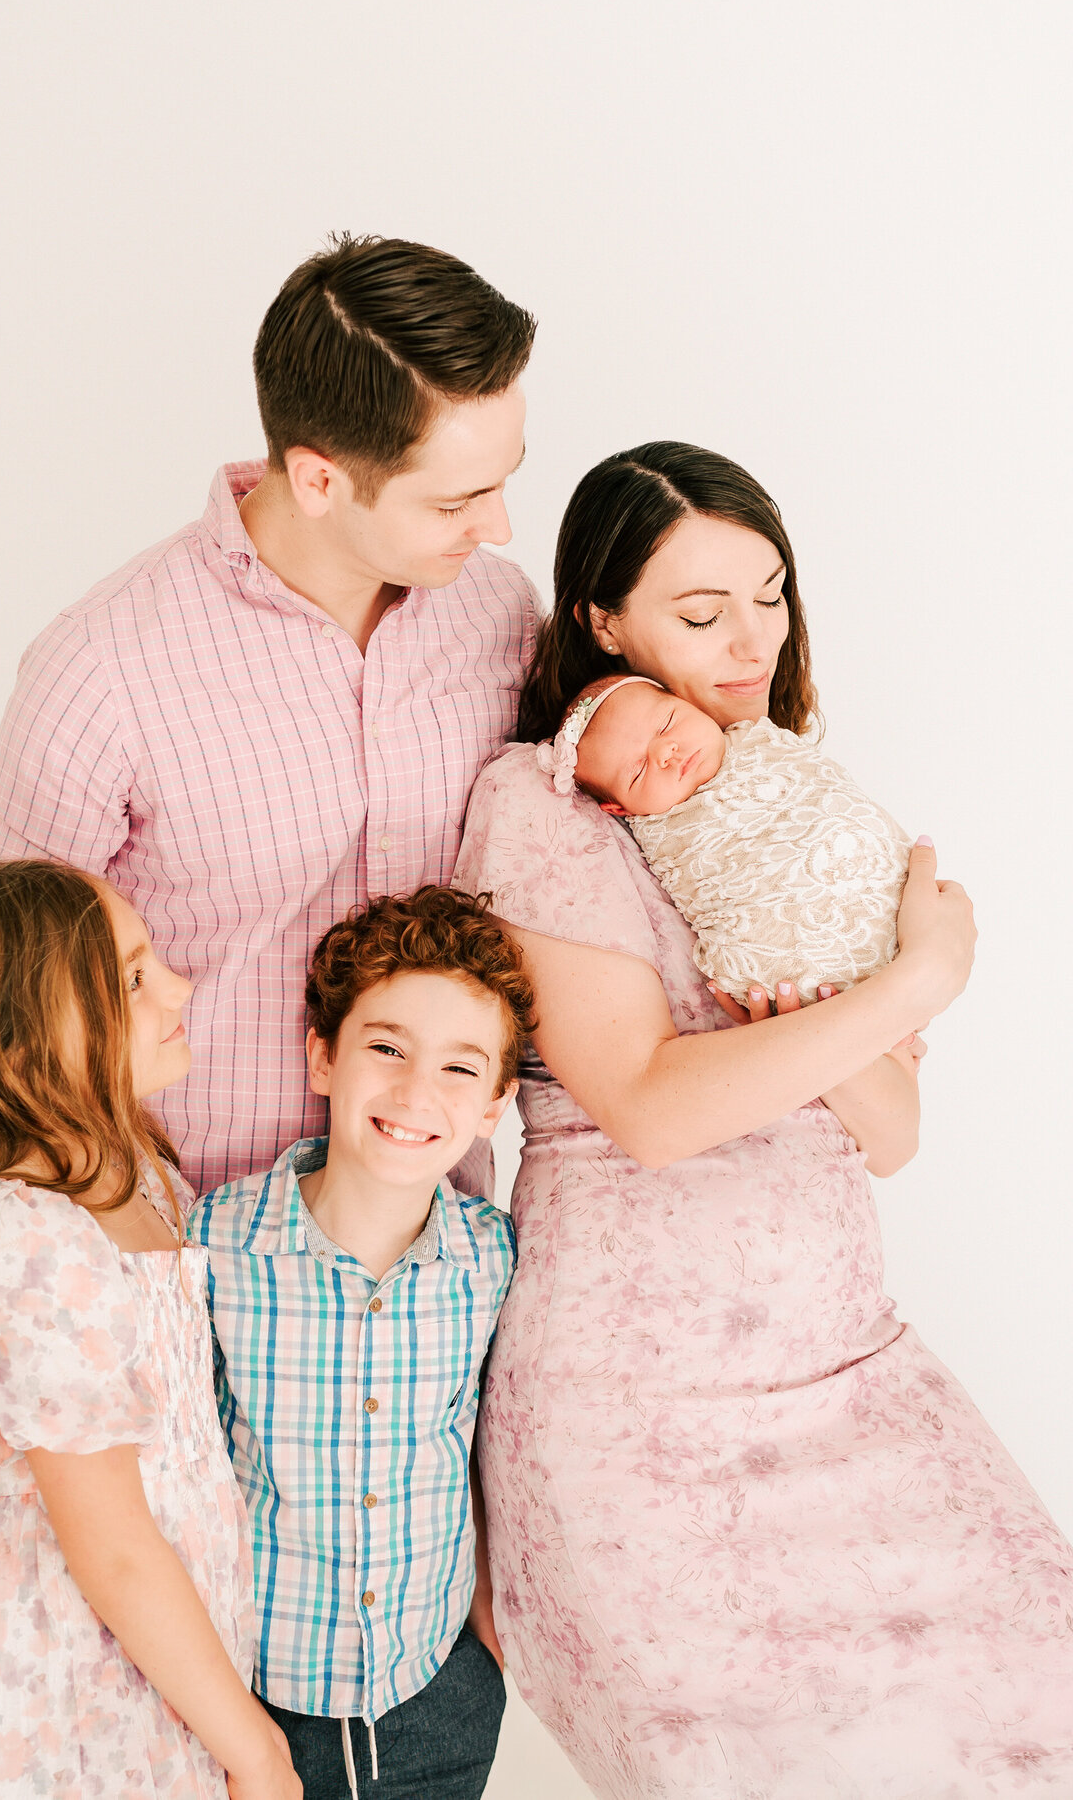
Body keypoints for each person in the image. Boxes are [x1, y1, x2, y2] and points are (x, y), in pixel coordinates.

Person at [453, 441, 1073, 1797]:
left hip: (849, 1368)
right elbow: (652, 1108)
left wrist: (841, 1012)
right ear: (600, 621)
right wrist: (920, 977)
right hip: (642, 1422)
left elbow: (891, 1130)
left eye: (770, 595)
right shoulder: (549, 804)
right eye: (699, 611)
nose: (750, 642)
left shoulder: (779, 794)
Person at [0, 234, 538, 1463]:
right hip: (180, 1297)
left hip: (435, 1277)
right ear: (320, 477)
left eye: (503, 479)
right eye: (455, 499)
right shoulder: (105, 670)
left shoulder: (497, 615)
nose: (499, 526)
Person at [0, 860, 299, 1800]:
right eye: (134, 978)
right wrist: (258, 1751)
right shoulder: (23, 1235)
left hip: (148, 1655)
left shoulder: (141, 1176)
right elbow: (109, 1545)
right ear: (25, 1055)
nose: (181, 987)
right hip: (57, 1674)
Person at [190, 886, 533, 1800]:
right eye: (386, 1048)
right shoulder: (215, 1243)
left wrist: (489, 1639)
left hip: (439, 1694)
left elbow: (499, 1452)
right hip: (254, 1707)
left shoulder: (495, 1260)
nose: (418, 1092)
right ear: (323, 1058)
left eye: (462, 1071)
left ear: (497, 1102)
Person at [546, 670, 910, 1003]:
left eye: (667, 723)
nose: (665, 753)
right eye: (638, 770)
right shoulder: (664, 833)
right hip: (800, 983)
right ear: (619, 809)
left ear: (685, 701)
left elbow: (828, 790)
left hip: (896, 912)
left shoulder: (760, 740)